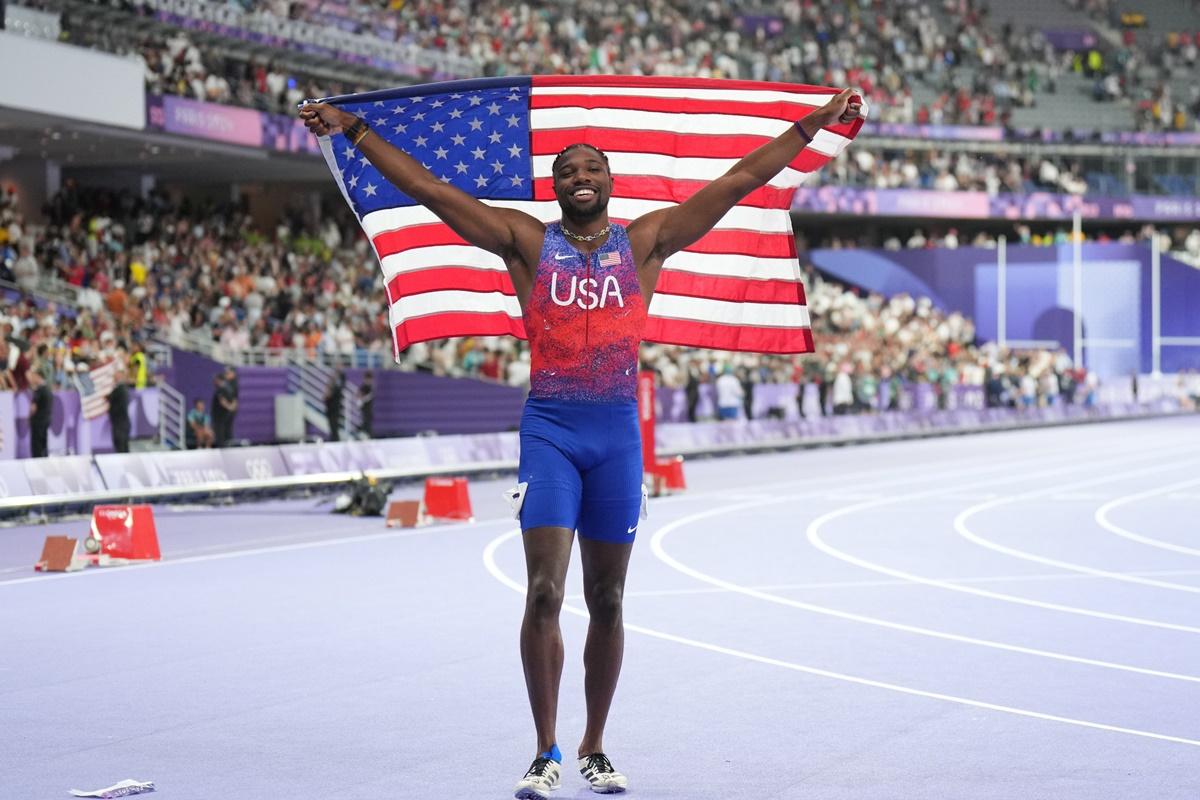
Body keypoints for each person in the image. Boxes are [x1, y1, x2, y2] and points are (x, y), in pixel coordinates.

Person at [301, 87, 861, 800]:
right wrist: (354, 130)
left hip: (617, 435)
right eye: (567, 170)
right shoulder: (525, 241)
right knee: (542, 592)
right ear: (556, 186)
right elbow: (427, 188)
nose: (580, 176)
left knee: (610, 598)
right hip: (553, 431)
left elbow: (740, 181)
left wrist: (811, 124)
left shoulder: (648, 240)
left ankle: (596, 745)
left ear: (610, 181)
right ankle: (545, 750)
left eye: (592, 166)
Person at [29, 367, 52, 458]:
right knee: (44, 442)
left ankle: (37, 461)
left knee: (37, 445)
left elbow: (33, 408)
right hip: (46, 420)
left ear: (38, 376)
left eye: (34, 376)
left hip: (38, 421)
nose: (32, 378)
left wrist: (29, 417)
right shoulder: (48, 389)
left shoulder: (39, 391)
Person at [108, 366, 131, 453]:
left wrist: (112, 412)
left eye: (116, 374)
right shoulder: (120, 388)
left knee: (121, 447)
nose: (114, 376)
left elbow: (120, 406)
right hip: (121, 423)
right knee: (121, 446)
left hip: (120, 423)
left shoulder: (121, 389)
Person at [325, 369, 345, 441]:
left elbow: (328, 396)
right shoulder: (330, 387)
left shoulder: (337, 388)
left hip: (335, 410)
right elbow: (325, 397)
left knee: (335, 427)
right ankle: (334, 440)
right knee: (332, 427)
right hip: (330, 410)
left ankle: (336, 441)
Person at [359, 371, 375, 438]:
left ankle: (367, 435)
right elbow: (359, 395)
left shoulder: (371, 387)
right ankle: (367, 435)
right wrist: (364, 399)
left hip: (369, 407)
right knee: (366, 422)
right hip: (365, 408)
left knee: (368, 422)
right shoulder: (363, 387)